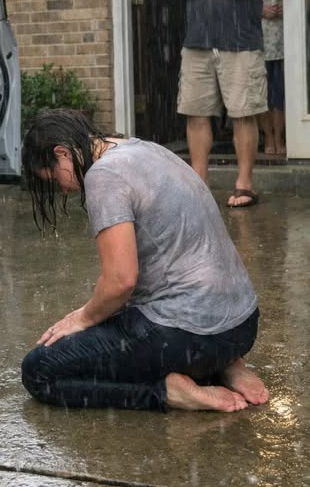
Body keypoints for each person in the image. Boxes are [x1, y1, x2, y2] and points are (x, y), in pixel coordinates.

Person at [21, 109, 269, 413]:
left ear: (62, 153)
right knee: (118, 322)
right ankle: (225, 365)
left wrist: (83, 318)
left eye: (55, 178)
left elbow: (120, 282)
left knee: (39, 370)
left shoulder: (104, 176)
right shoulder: (142, 148)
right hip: (241, 326)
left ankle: (167, 393)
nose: (64, 189)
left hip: (194, 335)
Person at [171, 0, 267, 208]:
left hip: (240, 43)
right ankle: (199, 183)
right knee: (196, 113)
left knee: (243, 113)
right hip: (198, 43)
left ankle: (245, 185)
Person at [258, 0, 285, 155]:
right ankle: (268, 139)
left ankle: (280, 138)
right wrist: (262, 10)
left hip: (287, 45)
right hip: (261, 45)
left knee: (281, 95)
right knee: (263, 96)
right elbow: (243, 4)